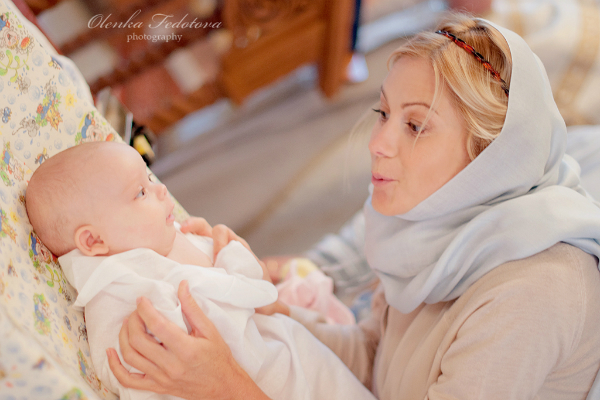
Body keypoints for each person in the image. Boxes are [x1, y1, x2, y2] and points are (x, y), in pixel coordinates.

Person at [108, 14, 600, 400]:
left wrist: (225, 386)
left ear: (489, 157)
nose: (377, 143)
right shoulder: (432, 229)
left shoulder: (535, 292)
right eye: (383, 113)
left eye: (415, 126)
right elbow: (371, 360)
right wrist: (259, 301)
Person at [25, 141, 376, 400]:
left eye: (150, 177)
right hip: (267, 377)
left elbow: (251, 288)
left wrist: (230, 257)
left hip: (277, 360)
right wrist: (233, 263)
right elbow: (129, 370)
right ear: (93, 241)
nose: (162, 189)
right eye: (141, 192)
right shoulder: (115, 293)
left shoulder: (158, 240)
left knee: (324, 372)